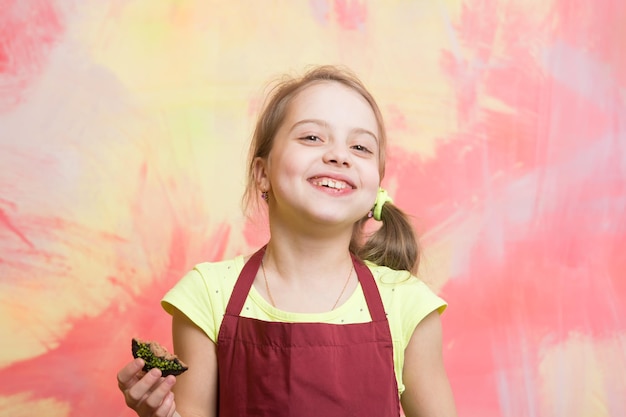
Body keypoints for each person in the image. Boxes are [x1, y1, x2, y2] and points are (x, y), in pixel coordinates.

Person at [117, 65, 457, 417]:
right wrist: (158, 413)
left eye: (360, 146)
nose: (339, 156)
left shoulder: (406, 303)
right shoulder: (208, 293)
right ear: (262, 174)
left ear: (375, 189)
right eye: (312, 138)